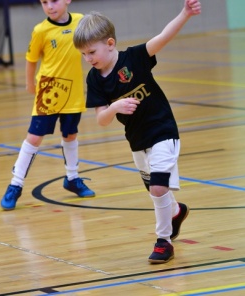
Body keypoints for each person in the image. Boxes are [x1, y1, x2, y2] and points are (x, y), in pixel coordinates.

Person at [73, 0, 201, 263]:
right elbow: (101, 120)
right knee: (157, 191)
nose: (88, 59)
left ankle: (163, 241)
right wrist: (115, 107)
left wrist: (185, 13)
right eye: (83, 54)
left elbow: (163, 36)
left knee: (157, 188)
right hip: (137, 139)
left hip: (163, 129)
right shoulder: (95, 79)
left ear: (110, 44)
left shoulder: (135, 57)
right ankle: (176, 212)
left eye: (91, 52)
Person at [0, 0, 95, 211]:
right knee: (34, 138)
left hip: (74, 91)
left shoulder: (81, 22)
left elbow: (92, 48)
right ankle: (15, 184)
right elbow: (31, 58)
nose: (49, 6)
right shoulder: (41, 30)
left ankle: (72, 178)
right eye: (44, 2)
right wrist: (29, 82)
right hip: (48, 91)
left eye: (53, 1)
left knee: (70, 135)